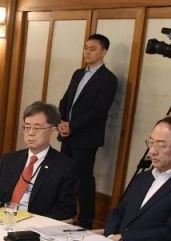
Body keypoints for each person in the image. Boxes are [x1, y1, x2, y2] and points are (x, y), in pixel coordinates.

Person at [104, 117, 171, 241]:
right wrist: (110, 237)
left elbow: (170, 232)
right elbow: (119, 212)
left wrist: (124, 239)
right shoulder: (143, 178)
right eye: (151, 143)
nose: (152, 151)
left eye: (161, 145)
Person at [57, 33, 118, 229]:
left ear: (104, 52)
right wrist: (62, 122)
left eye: (93, 49)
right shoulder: (78, 73)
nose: (87, 52)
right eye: (85, 48)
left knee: (84, 179)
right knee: (64, 175)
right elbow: (65, 101)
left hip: (86, 137)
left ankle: (85, 221)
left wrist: (72, 126)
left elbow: (99, 111)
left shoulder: (108, 79)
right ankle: (66, 213)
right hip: (67, 134)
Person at [0, 102, 77, 220]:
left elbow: (66, 209)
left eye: (37, 128)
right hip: (2, 220)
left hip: (35, 226)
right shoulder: (9, 160)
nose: (30, 133)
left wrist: (32, 223)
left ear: (52, 130)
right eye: (27, 127)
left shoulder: (65, 166)